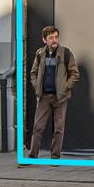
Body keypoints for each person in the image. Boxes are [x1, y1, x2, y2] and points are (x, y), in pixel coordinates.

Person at [28, 25, 79, 159]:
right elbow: (33, 72)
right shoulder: (40, 53)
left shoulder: (66, 53)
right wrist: (36, 86)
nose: (54, 40)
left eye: (56, 37)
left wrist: (65, 87)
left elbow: (74, 73)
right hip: (44, 97)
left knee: (58, 129)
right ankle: (33, 156)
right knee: (38, 127)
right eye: (51, 38)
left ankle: (55, 156)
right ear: (44, 40)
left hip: (60, 98)